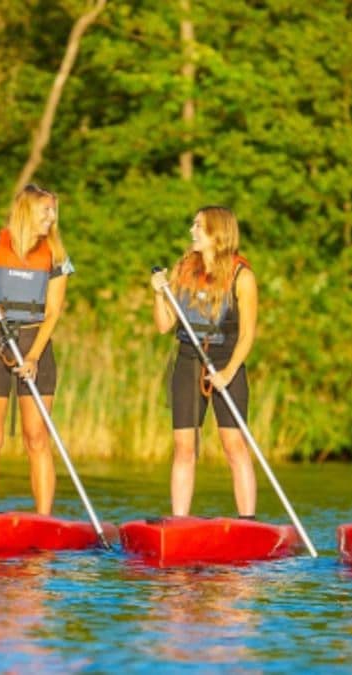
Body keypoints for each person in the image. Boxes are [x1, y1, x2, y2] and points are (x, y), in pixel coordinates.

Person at [0, 184, 72, 515]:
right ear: (26, 210)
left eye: (53, 211)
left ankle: (44, 518)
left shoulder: (57, 256)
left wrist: (33, 355)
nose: (51, 217)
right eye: (45, 210)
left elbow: (53, 312)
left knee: (36, 438)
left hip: (36, 344)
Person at [150, 206, 258, 517]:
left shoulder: (242, 276)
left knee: (233, 445)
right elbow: (163, 324)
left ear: (216, 232)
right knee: (184, 447)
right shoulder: (183, 267)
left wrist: (228, 372)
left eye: (198, 226)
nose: (191, 231)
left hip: (227, 361)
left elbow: (248, 335)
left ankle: (247, 520)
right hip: (188, 359)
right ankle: (179, 520)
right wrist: (159, 295)